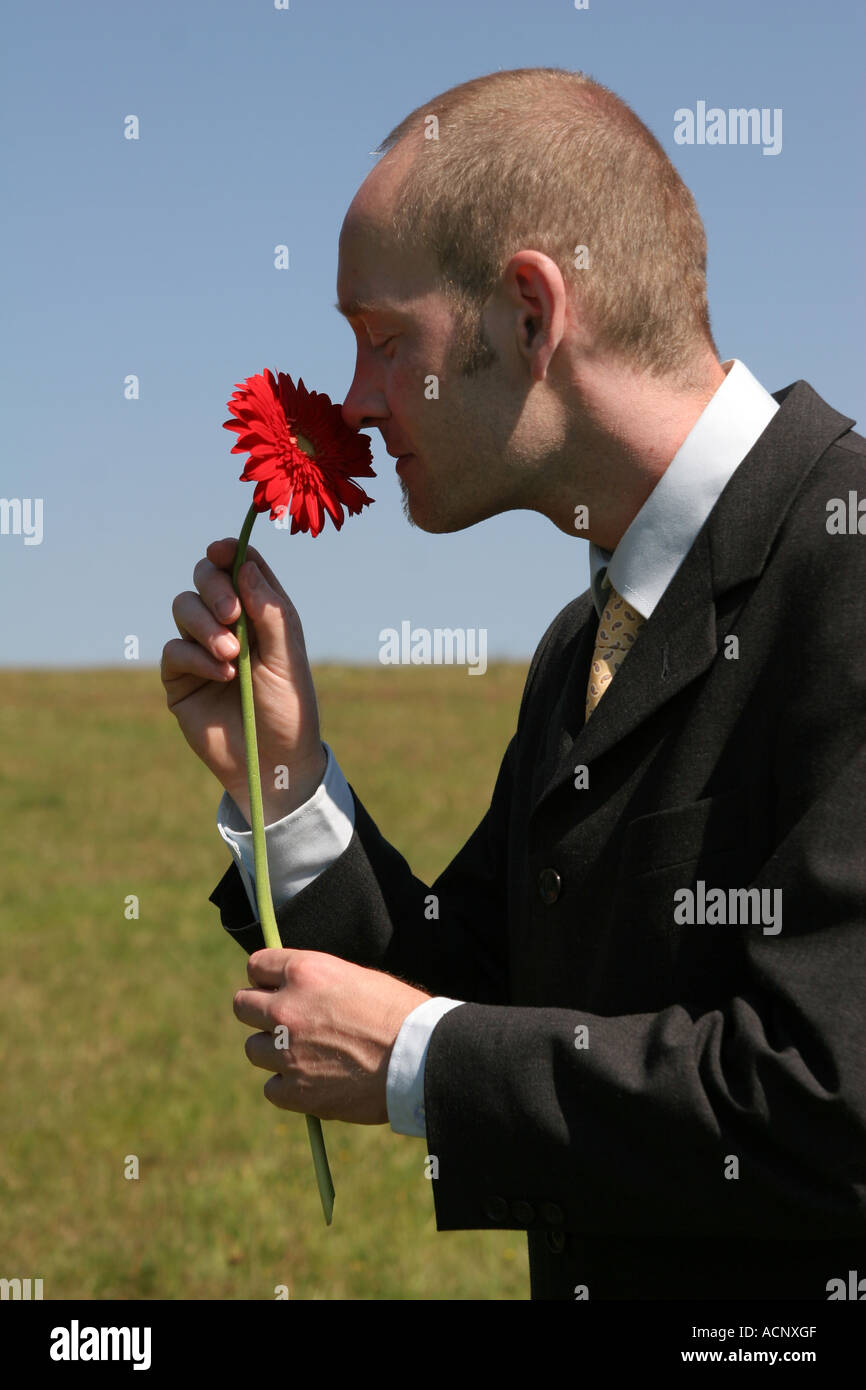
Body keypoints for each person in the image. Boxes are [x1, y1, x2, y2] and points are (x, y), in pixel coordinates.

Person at [161, 67, 866, 1300]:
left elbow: (823, 1104)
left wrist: (415, 1062)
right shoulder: (578, 646)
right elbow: (485, 993)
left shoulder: (847, 564)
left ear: (530, 314)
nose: (359, 401)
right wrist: (285, 785)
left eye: (383, 340)